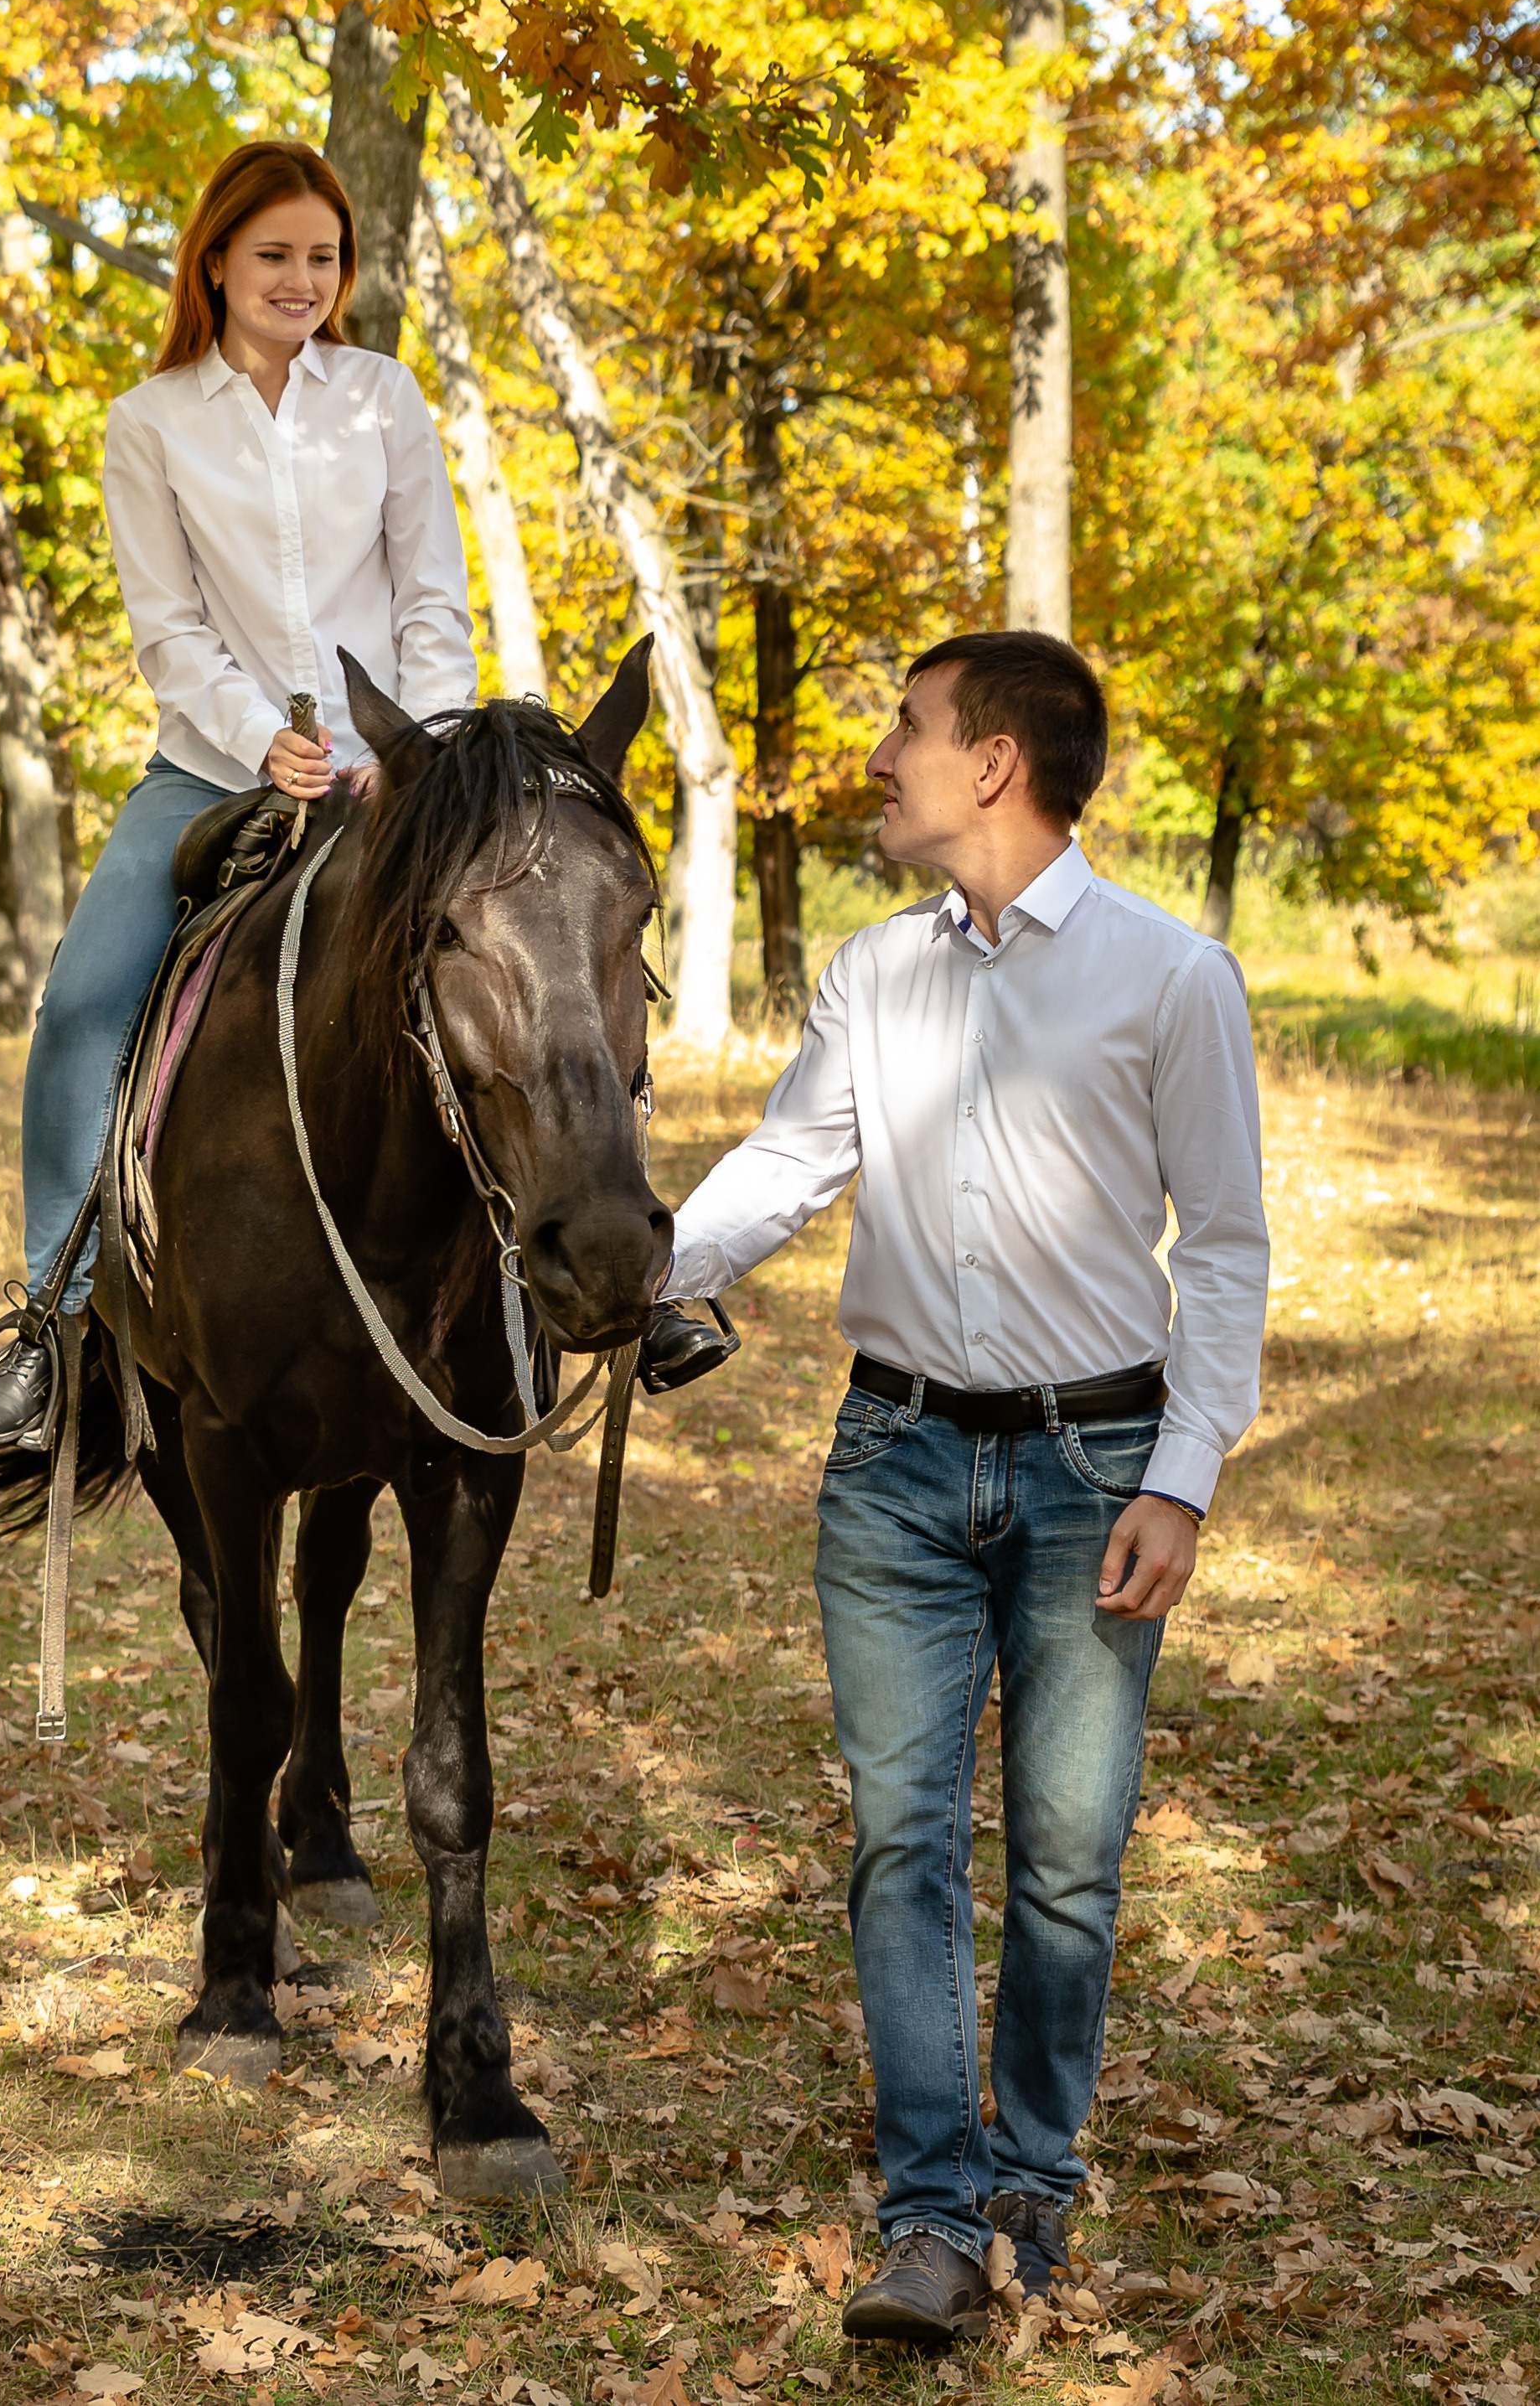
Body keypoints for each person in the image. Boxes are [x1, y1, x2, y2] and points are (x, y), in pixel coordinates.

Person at [651, 633, 1269, 2347]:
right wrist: (631, 1269)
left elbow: (1221, 1250)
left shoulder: (1169, 976)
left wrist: (1186, 1476)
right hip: (894, 1460)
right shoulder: (871, 971)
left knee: (1066, 1860)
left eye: (908, 726)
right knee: (897, 1840)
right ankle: (929, 2210)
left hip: (1096, 1467)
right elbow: (790, 1158)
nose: (879, 754)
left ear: (992, 761)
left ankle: (1032, 2187)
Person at [0, 139, 478, 1446]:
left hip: (396, 766)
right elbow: (167, 633)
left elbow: (430, 598)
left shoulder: (384, 396)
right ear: (216, 262)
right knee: (80, 1003)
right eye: (275, 255)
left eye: (322, 257)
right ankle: (53, 1317)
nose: (302, 279)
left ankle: (616, 1284)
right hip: (207, 766)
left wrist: (404, 752)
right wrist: (261, 741)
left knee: (543, 958)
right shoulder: (151, 420)